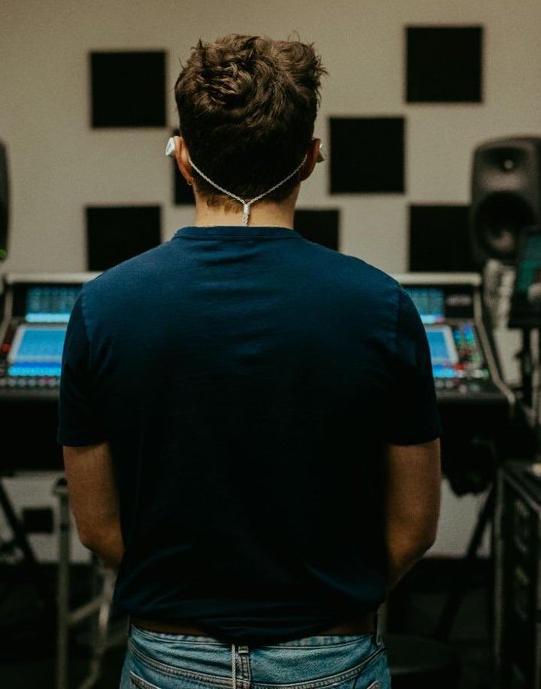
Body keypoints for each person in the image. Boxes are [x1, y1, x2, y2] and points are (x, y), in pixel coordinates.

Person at [59, 34, 442, 688]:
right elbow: (413, 526)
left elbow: (96, 527)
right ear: (311, 159)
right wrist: (324, 597)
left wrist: (189, 597)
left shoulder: (103, 309)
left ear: (182, 160)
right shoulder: (382, 307)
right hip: (331, 655)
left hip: (168, 658)